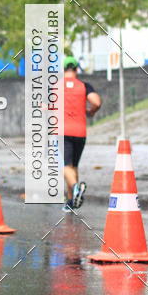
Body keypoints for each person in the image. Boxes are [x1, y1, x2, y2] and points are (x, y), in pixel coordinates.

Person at [63, 57, 101, 211]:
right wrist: (91, 112)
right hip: (80, 132)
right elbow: (96, 102)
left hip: (62, 131)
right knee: (73, 166)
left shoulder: (55, 86)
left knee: (65, 166)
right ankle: (71, 202)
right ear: (77, 70)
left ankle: (76, 189)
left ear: (63, 70)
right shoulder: (85, 86)